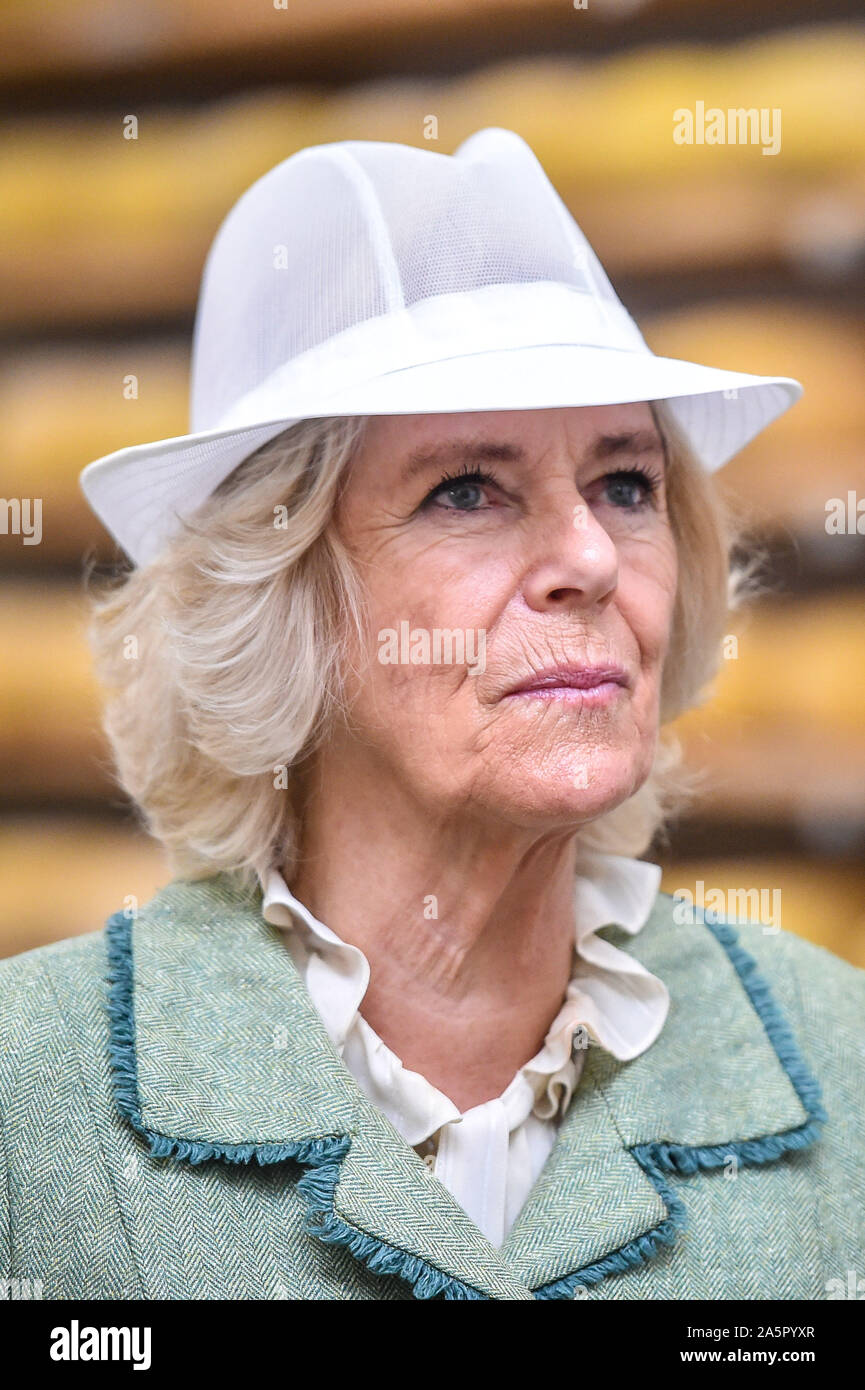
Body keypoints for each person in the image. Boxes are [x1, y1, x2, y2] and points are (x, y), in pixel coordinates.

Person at [1, 129, 862, 1301]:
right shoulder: (28, 1100)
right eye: (468, 490)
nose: (590, 558)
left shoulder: (841, 1061)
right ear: (281, 591)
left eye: (625, 484)